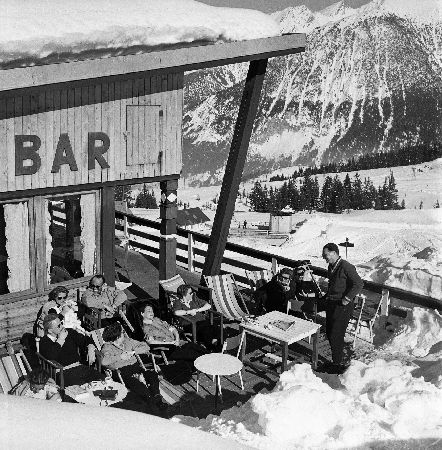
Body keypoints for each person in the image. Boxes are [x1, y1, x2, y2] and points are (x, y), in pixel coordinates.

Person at [100, 322, 166, 414]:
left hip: (136, 368)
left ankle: (157, 400)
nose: (124, 334)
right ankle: (154, 409)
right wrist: (120, 357)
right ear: (117, 337)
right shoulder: (107, 347)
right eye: (122, 332)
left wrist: (134, 351)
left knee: (152, 375)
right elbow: (104, 361)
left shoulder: (128, 341)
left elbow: (145, 346)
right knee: (139, 386)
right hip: (122, 373)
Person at [319, 242, 363, 374]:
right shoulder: (331, 267)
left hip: (343, 306)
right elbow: (333, 285)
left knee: (336, 334)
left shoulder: (346, 266)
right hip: (332, 303)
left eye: (325, 254)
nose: (324, 257)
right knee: (329, 332)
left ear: (334, 253)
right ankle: (336, 361)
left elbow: (359, 283)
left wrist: (347, 298)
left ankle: (338, 365)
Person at [38, 313, 104, 386]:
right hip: (62, 372)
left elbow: (85, 340)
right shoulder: (44, 341)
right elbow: (51, 356)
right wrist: (60, 339)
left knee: (102, 379)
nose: (62, 326)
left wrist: (90, 346)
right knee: (83, 389)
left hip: (79, 368)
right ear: (50, 331)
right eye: (59, 326)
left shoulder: (69, 332)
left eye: (61, 323)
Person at [173, 284, 220, 351]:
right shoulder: (177, 302)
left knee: (216, 328)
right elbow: (176, 312)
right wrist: (189, 312)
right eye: (190, 293)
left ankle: (214, 345)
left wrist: (197, 310)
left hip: (202, 322)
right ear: (184, 295)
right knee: (208, 330)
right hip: (191, 324)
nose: (192, 294)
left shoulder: (194, 299)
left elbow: (208, 306)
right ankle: (213, 348)